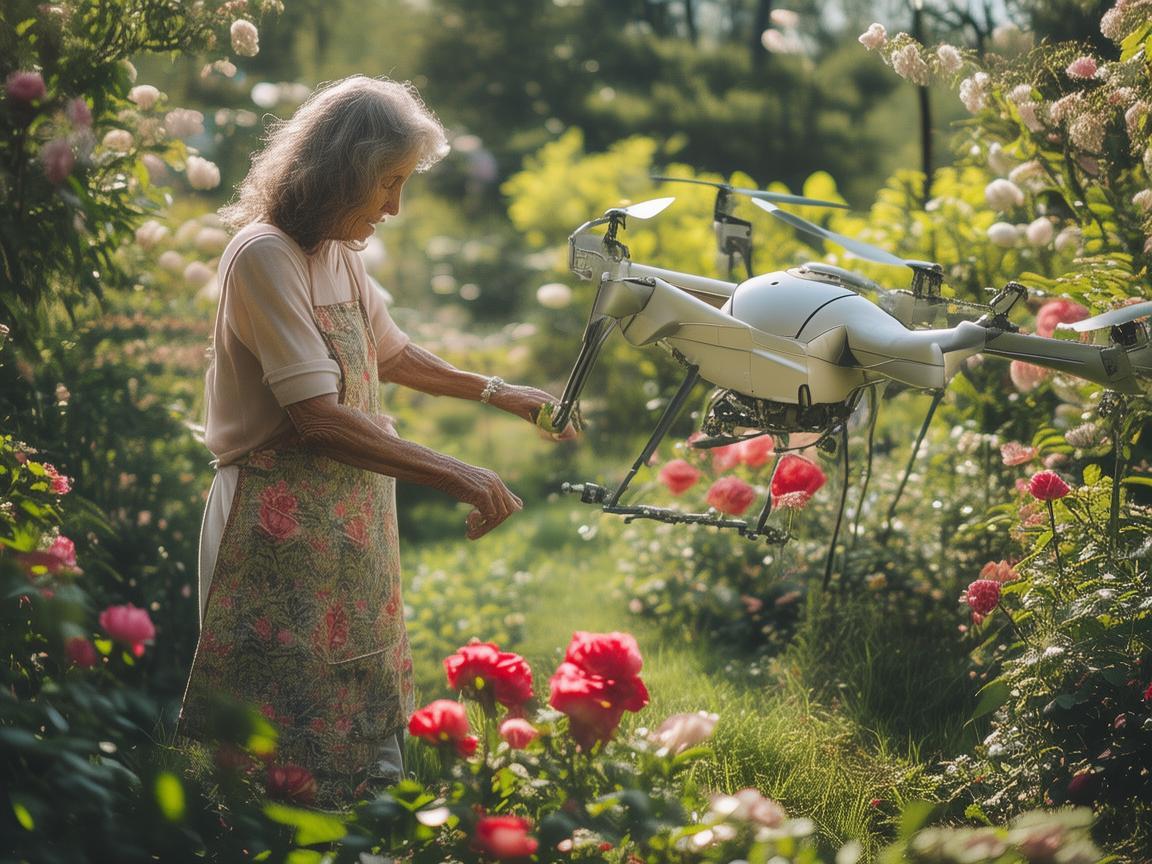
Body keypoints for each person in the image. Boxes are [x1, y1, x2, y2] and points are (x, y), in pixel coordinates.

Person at [178, 75, 575, 808]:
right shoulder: (264, 254)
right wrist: (461, 474)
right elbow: (319, 418)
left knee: (358, 701)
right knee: (278, 749)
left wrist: (501, 392)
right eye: (387, 183)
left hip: (349, 519)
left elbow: (391, 354)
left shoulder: (336, 251)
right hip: (273, 523)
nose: (395, 207)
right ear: (340, 174)